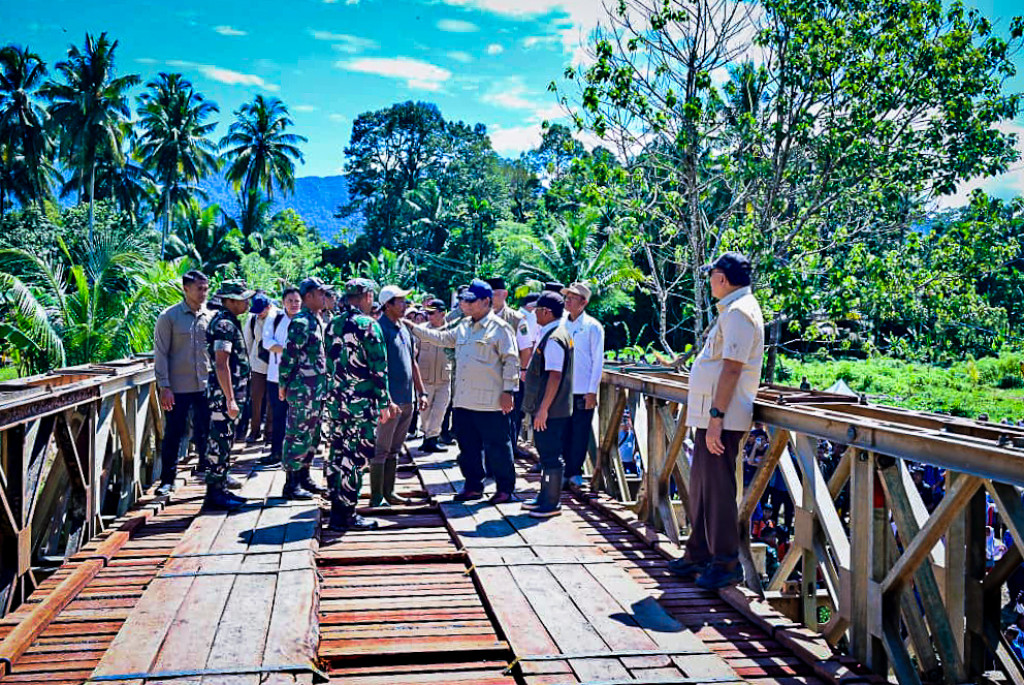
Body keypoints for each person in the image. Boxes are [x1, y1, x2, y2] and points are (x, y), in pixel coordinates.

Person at [668, 251, 765, 590]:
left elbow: (732, 369)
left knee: (719, 491)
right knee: (702, 488)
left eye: (712, 276)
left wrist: (716, 418)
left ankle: (725, 562)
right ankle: (698, 552)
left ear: (722, 279)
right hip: (714, 415)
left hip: (722, 418)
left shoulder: (739, 313)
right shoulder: (732, 309)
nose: (710, 281)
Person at [406, 279, 520, 504]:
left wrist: (509, 390)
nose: (465, 304)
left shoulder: (499, 328)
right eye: (464, 300)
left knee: (497, 447)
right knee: (467, 448)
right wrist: (413, 328)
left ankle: (505, 489)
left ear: (485, 301)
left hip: (491, 402)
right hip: (464, 400)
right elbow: (442, 338)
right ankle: (473, 486)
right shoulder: (463, 326)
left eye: (470, 301)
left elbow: (511, 360)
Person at [324, 278, 395, 531]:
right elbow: (379, 368)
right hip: (360, 405)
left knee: (337, 454)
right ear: (366, 296)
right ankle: (347, 515)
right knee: (356, 457)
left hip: (336, 403)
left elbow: (329, 364)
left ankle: (337, 509)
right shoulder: (368, 325)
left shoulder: (332, 324)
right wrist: (384, 403)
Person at [153, 270, 213, 496]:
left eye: (206, 288)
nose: (203, 293)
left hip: (205, 384)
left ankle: (209, 472)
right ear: (186, 289)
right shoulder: (169, 317)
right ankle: (167, 480)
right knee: (174, 433)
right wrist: (164, 386)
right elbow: (161, 353)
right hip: (178, 387)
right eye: (199, 288)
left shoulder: (210, 317)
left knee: (207, 429)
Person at [372, 285, 428, 507]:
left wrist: (421, 392)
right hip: (390, 401)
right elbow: (377, 368)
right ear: (388, 305)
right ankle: (377, 496)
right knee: (381, 449)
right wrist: (386, 399)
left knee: (395, 449)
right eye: (401, 301)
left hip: (407, 399)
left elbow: (412, 362)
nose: (405, 305)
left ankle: (390, 492)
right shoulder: (379, 329)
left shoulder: (404, 328)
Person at [520, 292, 574, 518]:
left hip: (551, 409)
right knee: (545, 454)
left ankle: (551, 503)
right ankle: (544, 497)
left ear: (547, 312)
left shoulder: (554, 339)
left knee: (551, 456)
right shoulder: (554, 333)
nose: (534, 314)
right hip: (552, 407)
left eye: (537, 310)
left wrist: (543, 409)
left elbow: (554, 375)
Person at [203, 280, 254, 510]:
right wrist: (230, 399)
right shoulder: (224, 325)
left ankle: (221, 487)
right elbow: (221, 363)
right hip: (223, 395)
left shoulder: (230, 321)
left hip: (229, 393)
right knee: (220, 441)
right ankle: (215, 493)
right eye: (243, 299)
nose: (247, 302)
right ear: (231, 301)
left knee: (226, 440)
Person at [279, 277, 330, 500]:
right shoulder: (301, 322)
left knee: (313, 435)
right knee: (297, 435)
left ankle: (304, 476)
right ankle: (291, 484)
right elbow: (288, 356)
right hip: (302, 390)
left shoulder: (317, 319)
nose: (324, 297)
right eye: (321, 293)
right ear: (309, 296)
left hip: (317, 389)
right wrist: (283, 384)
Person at [561, 282, 605, 492]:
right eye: (567, 297)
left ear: (584, 302)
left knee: (580, 432)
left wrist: (592, 390)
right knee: (563, 430)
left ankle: (574, 472)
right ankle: (564, 470)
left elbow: (598, 360)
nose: (567, 301)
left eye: (572, 298)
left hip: (582, 388)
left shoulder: (592, 326)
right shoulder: (561, 323)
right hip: (562, 388)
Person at [486, 278, 534, 458]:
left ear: (504, 294)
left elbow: (526, 349)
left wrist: (521, 371)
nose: (491, 299)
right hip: (486, 378)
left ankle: (509, 452)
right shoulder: (480, 317)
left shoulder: (516, 319)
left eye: (494, 294)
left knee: (511, 417)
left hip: (509, 378)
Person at [261, 287, 301, 466]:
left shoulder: (305, 320)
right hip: (276, 376)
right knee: (278, 415)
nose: (294, 304)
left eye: (297, 301)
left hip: (300, 378)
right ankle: (276, 452)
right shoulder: (275, 318)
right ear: (283, 302)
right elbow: (267, 342)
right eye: (290, 301)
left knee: (298, 417)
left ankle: (296, 454)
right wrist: (289, 351)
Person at [418, 299, 452, 453]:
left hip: (444, 378)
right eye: (427, 313)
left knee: (439, 411)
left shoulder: (451, 332)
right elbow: (414, 353)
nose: (429, 316)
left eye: (432, 313)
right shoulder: (421, 330)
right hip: (425, 379)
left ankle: (432, 439)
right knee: (425, 412)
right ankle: (427, 437)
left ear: (442, 314)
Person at [243, 293, 273, 444]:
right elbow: (247, 341)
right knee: (255, 399)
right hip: (257, 365)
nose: (259, 314)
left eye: (261, 310)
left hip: (274, 365)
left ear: (269, 307)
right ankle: (254, 430)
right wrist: (247, 364)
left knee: (272, 400)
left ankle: (270, 431)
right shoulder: (252, 319)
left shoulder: (277, 318)